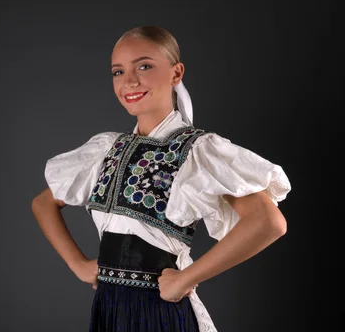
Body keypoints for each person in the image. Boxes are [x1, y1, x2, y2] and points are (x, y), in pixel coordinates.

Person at [31, 25, 291, 332]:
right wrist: (78, 265)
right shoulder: (107, 149)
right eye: (118, 71)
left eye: (144, 66)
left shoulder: (198, 150)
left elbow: (268, 222)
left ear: (176, 73)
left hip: (159, 311)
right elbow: (43, 203)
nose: (129, 81)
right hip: (110, 307)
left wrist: (185, 278)